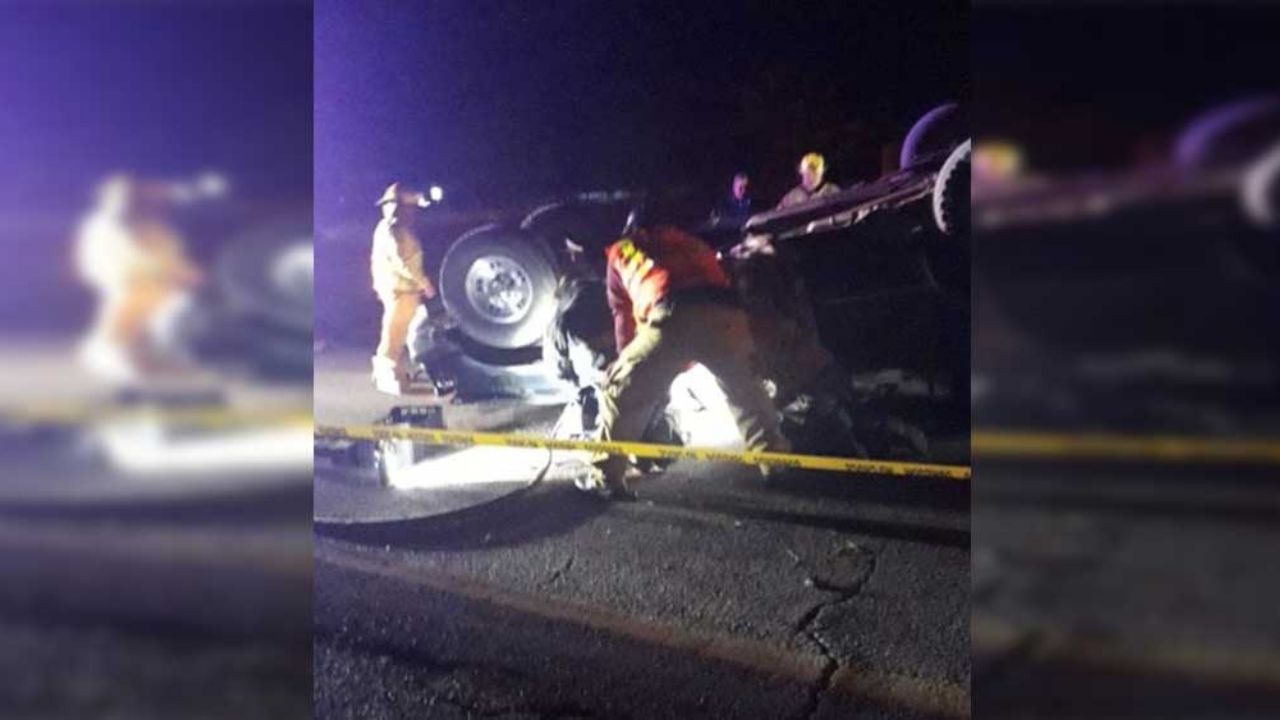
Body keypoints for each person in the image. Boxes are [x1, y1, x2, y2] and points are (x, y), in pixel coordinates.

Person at [579, 207, 789, 499]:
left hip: (672, 314)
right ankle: (775, 465)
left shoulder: (620, 251)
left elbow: (623, 317)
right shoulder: (690, 241)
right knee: (747, 393)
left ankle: (605, 478)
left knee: (620, 390)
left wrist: (630, 362)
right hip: (728, 315)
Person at [75, 174, 204, 382]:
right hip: (127, 285)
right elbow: (108, 266)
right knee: (134, 299)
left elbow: (172, 259)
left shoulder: (157, 230)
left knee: (180, 307)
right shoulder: (103, 227)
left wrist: (183, 272)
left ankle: (150, 353)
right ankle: (111, 346)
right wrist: (163, 271)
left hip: (159, 289)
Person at [369, 182, 446, 394]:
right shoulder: (395, 229)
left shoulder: (388, 227)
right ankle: (387, 374)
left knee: (400, 331)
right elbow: (404, 261)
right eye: (410, 207)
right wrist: (424, 283)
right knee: (395, 333)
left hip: (398, 288)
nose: (413, 212)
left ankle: (388, 372)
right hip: (400, 289)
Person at [777, 152, 841, 209]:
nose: (811, 175)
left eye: (814, 171)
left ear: (822, 171)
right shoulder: (792, 197)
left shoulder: (832, 191)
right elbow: (778, 214)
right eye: (808, 172)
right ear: (801, 171)